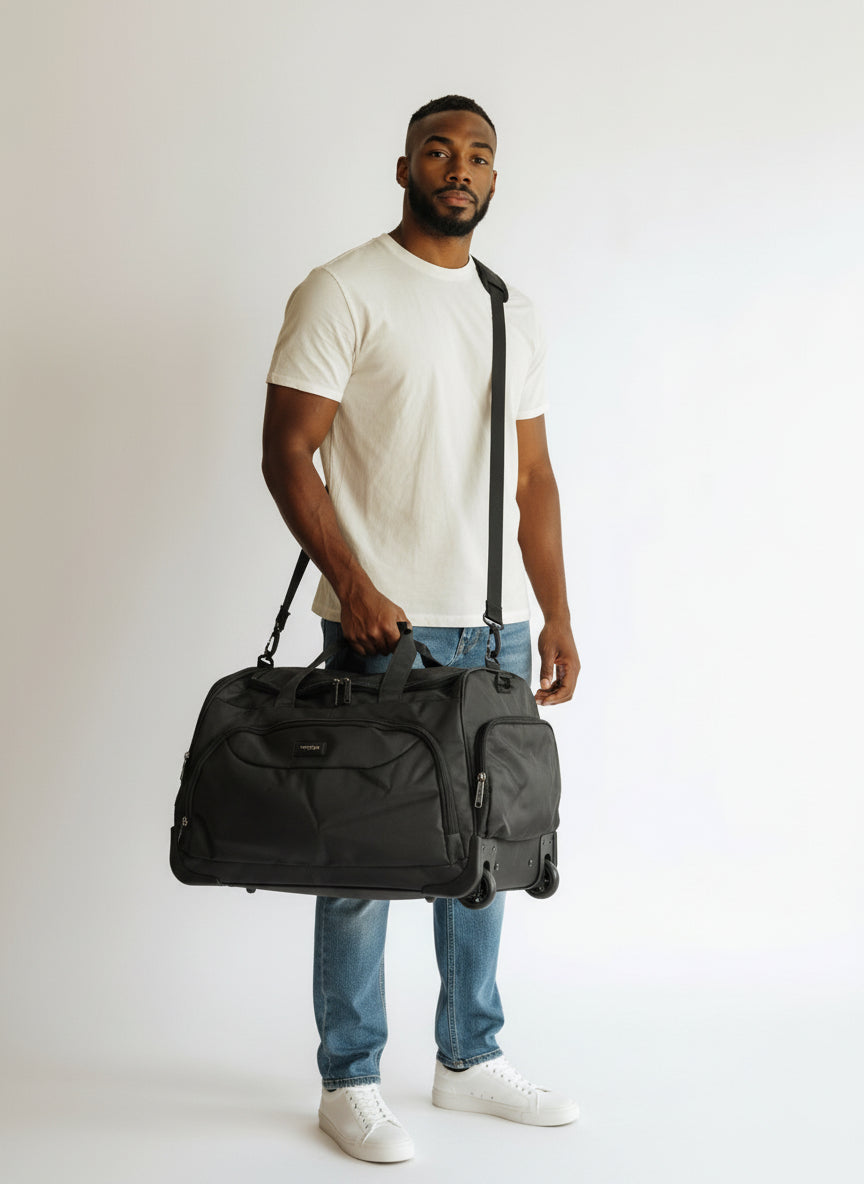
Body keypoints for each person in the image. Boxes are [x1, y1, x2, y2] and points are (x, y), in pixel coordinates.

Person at [261, 94, 581, 1164]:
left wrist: (558, 614)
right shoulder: (344, 289)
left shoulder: (509, 308)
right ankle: (348, 1076)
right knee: (360, 857)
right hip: (383, 628)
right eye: (441, 149)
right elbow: (286, 451)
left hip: (492, 632)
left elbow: (532, 476)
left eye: (480, 154)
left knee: (485, 849)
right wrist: (351, 581)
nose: (461, 167)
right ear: (404, 162)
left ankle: (467, 1057)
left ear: (495, 177)